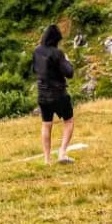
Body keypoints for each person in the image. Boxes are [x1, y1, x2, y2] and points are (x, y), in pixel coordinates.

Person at [32, 23, 77, 165]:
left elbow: (34, 70)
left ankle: (47, 159)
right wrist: (67, 61)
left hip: (42, 94)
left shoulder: (37, 51)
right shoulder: (57, 53)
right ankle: (62, 153)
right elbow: (69, 73)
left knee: (46, 125)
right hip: (58, 93)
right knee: (68, 121)